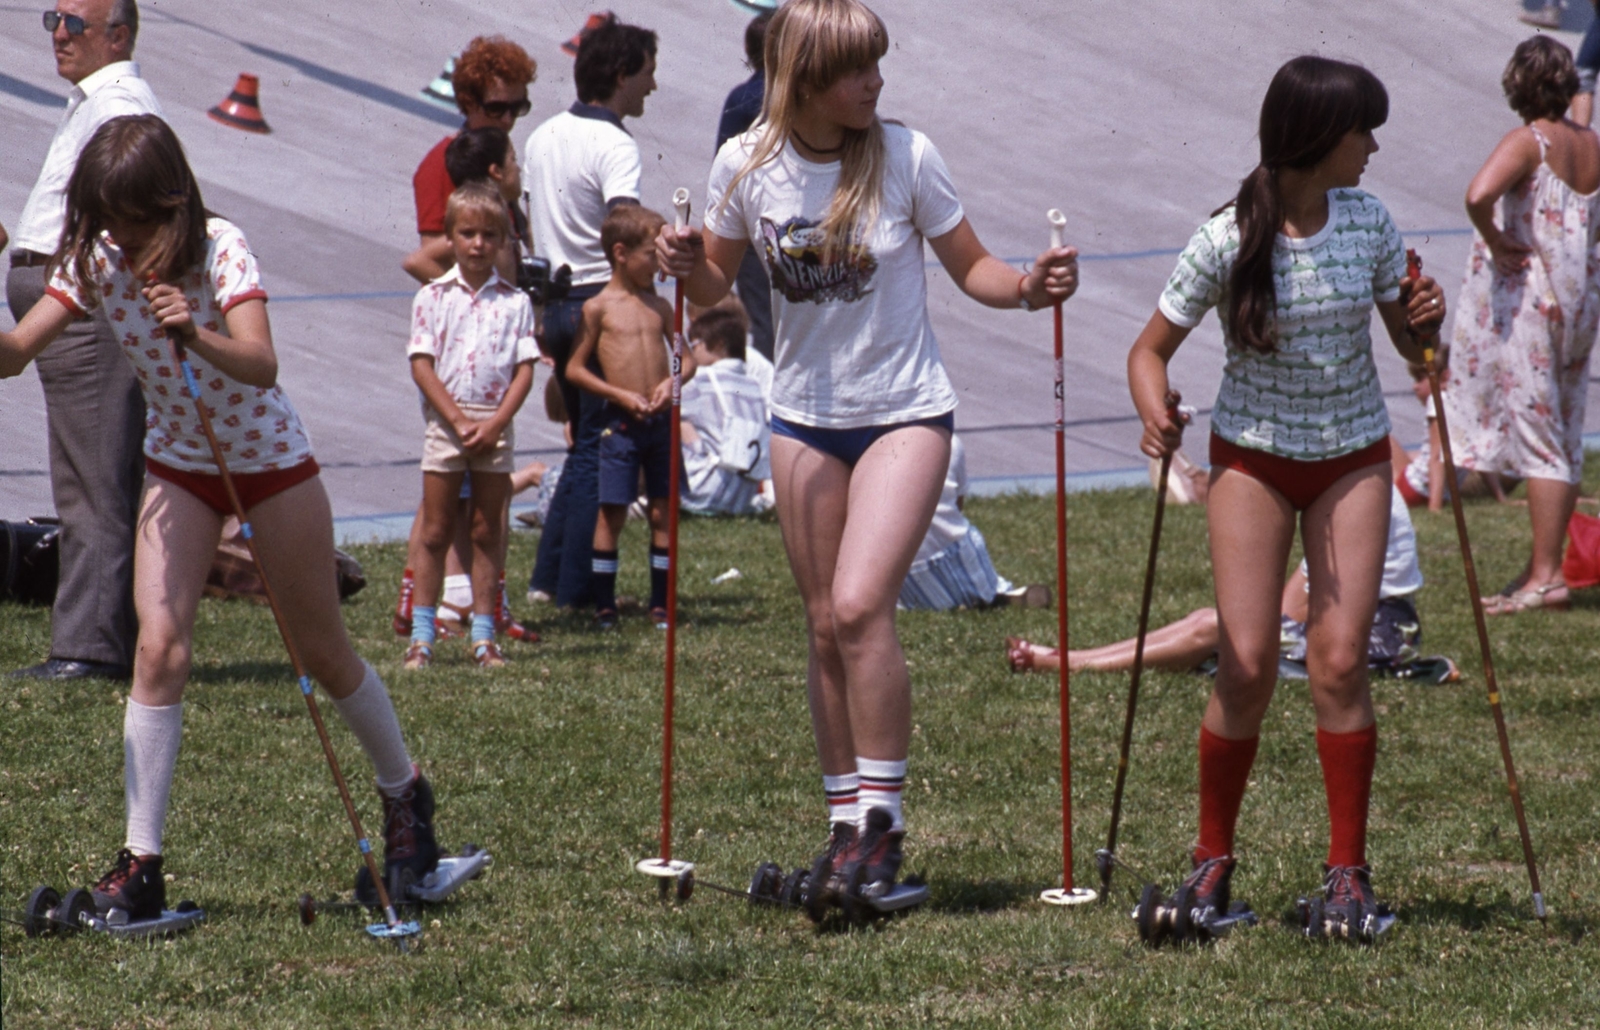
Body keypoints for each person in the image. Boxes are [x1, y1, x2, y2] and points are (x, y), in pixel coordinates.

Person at [658, 0, 1078, 897]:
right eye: (859, 70)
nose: (877, 83)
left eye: (879, 65)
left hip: (904, 414)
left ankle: (882, 831)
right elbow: (709, 289)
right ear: (806, 77)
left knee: (857, 608)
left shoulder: (907, 156)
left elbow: (976, 270)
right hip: (801, 413)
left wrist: (1032, 287)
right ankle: (844, 828)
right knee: (820, 627)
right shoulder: (749, 162)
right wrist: (682, 256)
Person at [0, 114, 446, 920]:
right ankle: (142, 863)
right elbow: (15, 352)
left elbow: (260, 360)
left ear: (167, 207)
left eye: (129, 225)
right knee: (160, 648)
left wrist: (193, 331)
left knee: (323, 652)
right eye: (102, 224)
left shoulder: (222, 245)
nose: (115, 242)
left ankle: (406, 797)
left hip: (270, 466)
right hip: (180, 465)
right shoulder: (98, 258)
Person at [1126, 56, 1445, 938]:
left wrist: (1427, 325)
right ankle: (1211, 864)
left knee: (1340, 662)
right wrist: (1157, 413)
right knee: (1248, 663)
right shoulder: (1226, 237)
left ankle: (1348, 875)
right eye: (1361, 131)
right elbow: (1147, 351)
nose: (1374, 146)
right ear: (1315, 139)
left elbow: (1417, 357)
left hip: (1350, 459)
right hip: (1254, 462)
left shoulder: (1370, 223)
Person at [7, 0, 158, 681]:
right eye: (53, 20)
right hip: (67, 302)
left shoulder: (118, 103)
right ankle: (96, 638)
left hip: (82, 310)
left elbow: (127, 206)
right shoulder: (96, 101)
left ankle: (89, 649)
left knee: (93, 479)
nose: (59, 34)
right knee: (85, 475)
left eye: (75, 23)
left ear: (118, 34)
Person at [1442, 35, 1600, 615]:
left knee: (1540, 437)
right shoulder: (1593, 144)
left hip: (1533, 298)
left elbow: (1478, 194)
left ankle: (1546, 576)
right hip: (1579, 299)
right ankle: (1545, 567)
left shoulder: (1529, 140)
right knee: (1562, 425)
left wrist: (1497, 239)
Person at [1007, 486, 1459, 684]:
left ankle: (1072, 665)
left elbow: (1292, 609)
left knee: (1215, 628)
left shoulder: (1354, 495)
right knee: (1210, 623)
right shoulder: (1346, 483)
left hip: (1375, 637)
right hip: (1371, 627)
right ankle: (1071, 660)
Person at [524, 14, 658, 609]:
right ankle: (576, 590)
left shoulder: (543, 135)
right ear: (623, 74)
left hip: (552, 303)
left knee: (580, 447)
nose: (652, 87)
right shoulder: (615, 144)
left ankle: (547, 580)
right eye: (648, 75)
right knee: (597, 453)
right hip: (595, 306)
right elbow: (623, 232)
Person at [394, 126, 542, 647]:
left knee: (486, 529)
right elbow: (421, 363)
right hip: (448, 419)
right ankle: (420, 629)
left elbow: (526, 366)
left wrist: (497, 421)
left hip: (493, 421)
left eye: (489, 236)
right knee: (435, 528)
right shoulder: (434, 297)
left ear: (502, 240)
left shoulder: (515, 301)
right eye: (467, 235)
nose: (478, 244)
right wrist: (456, 419)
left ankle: (484, 630)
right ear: (452, 236)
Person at [564, 205, 693, 627]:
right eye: (650, 256)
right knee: (612, 512)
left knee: (662, 511)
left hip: (660, 422)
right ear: (620, 253)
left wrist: (670, 384)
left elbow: (686, 359)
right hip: (619, 423)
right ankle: (605, 604)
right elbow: (575, 369)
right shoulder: (598, 308)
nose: (658, 266)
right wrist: (619, 394)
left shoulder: (660, 305)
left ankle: (661, 603)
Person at [899, 434, 1050, 611]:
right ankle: (996, 594)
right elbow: (958, 505)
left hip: (894, 575)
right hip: (948, 558)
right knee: (978, 576)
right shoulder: (947, 441)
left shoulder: (868, 447)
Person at [412, 36, 536, 250]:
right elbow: (427, 259)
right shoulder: (440, 165)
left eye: (517, 108)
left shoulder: (501, 154)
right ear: (469, 103)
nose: (508, 120)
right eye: (496, 109)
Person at [715, 9, 776, 362]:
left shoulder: (742, 98)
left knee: (762, 319)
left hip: (753, 226)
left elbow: (721, 169)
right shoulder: (805, 94)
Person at [680, 307, 772, 516]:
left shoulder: (699, 380)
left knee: (673, 417)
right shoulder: (753, 386)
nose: (691, 352)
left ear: (718, 345)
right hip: (742, 497)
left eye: (694, 344)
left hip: (703, 491)